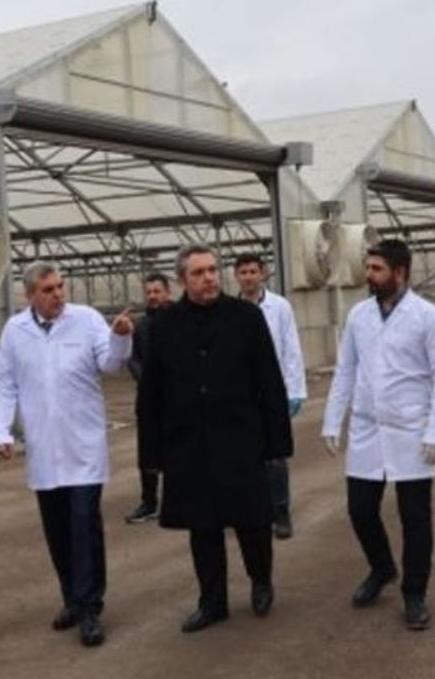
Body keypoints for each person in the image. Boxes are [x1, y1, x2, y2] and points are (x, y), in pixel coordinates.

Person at [138, 244, 293, 633]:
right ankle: (212, 601)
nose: (208, 278)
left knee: (253, 521)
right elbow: (151, 393)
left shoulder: (245, 317)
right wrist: (152, 453)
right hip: (189, 443)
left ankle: (261, 581)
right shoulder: (166, 325)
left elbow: (269, 381)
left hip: (239, 437)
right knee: (202, 526)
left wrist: (276, 444)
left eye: (212, 270)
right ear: (182, 280)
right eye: (198, 273)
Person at [0, 261, 133, 648]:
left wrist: (120, 338)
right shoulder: (15, 330)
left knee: (84, 525)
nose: (58, 295)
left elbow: (111, 365)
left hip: (84, 445)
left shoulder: (86, 320)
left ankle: (90, 609)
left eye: (60, 287)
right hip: (44, 448)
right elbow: (4, 383)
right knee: (56, 530)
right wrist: (0, 431)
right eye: (48, 290)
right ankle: (71, 598)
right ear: (29, 296)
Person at [320, 239, 435, 631]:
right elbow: (346, 369)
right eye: (368, 268)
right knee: (360, 510)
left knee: (415, 517)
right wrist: (332, 420)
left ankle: (415, 593)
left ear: (400, 272)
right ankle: (382, 568)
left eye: (377, 269)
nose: (369, 275)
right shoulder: (359, 315)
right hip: (367, 426)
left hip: (411, 429)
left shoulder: (428, 317)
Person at [234, 253, 307, 540]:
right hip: (240, 393)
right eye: (243, 272)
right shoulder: (230, 310)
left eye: (253, 271)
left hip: (273, 390)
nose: (248, 277)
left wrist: (295, 391)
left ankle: (280, 511)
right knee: (243, 454)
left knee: (275, 455)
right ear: (236, 276)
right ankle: (251, 510)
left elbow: (291, 348)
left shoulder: (279, 307)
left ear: (263, 274)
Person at [124, 272, 173, 524]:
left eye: (157, 291)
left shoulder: (180, 320)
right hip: (147, 399)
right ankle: (149, 501)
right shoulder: (141, 326)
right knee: (148, 451)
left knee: (177, 449)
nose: (153, 296)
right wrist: (145, 379)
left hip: (176, 398)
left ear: (168, 292)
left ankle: (177, 500)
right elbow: (132, 357)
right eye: (149, 292)